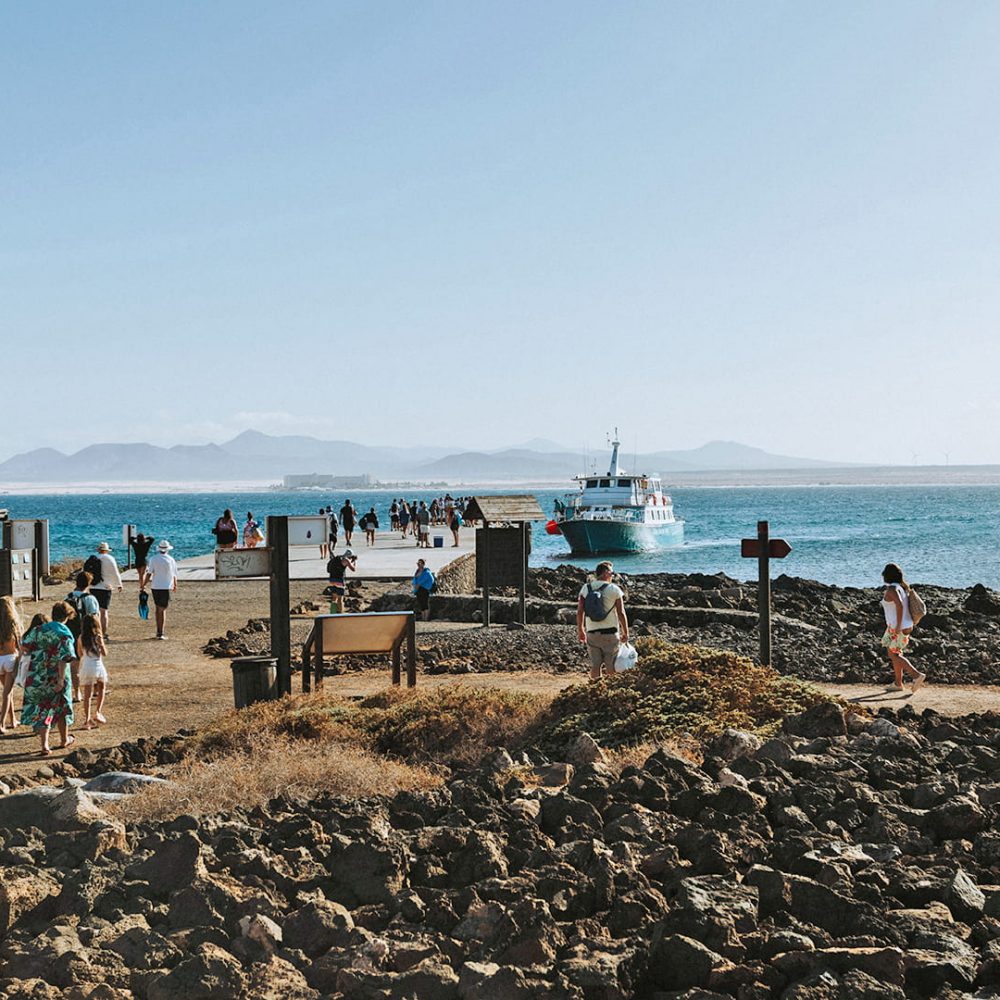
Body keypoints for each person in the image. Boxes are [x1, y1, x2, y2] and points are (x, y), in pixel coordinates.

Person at [20, 602, 76, 756]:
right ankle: (64, 739)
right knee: (62, 708)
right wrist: (60, 680)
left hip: (38, 675)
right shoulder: (64, 632)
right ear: (66, 617)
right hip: (57, 675)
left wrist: (40, 654)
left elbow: (24, 646)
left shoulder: (38, 629)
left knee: (43, 708)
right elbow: (65, 657)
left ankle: (45, 745)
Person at [576, 561, 629, 682]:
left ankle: (595, 690)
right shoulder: (614, 589)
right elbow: (621, 613)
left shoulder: (586, 588)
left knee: (596, 665)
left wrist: (581, 630)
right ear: (605, 573)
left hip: (592, 632)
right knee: (610, 665)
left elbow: (580, 611)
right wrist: (626, 632)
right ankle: (609, 692)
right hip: (610, 633)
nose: (613, 576)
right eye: (612, 573)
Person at [881, 562, 925, 693]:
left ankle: (916, 675)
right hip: (903, 625)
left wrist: (898, 627)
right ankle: (898, 683)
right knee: (896, 653)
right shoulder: (901, 588)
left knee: (893, 654)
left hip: (898, 626)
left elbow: (899, 606)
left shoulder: (892, 589)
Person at [66, 571, 100, 702]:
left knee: (74, 665)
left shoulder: (68, 597)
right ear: (89, 583)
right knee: (92, 662)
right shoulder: (90, 599)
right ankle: (95, 689)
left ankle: (77, 692)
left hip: (72, 634)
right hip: (87, 634)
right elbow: (95, 618)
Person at [77, 614, 108, 729]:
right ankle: (98, 712)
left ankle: (87, 719)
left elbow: (80, 653)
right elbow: (104, 653)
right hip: (97, 664)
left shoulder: (81, 638)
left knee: (87, 694)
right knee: (101, 688)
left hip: (86, 665)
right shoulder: (98, 637)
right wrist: (101, 644)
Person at [89, 542, 124, 640]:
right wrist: (119, 584)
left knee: (95, 611)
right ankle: (103, 634)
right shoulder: (109, 558)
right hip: (106, 587)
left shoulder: (93, 558)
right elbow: (115, 572)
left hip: (94, 586)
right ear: (107, 550)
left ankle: (95, 632)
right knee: (103, 611)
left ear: (98, 549)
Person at [146, 540, 178, 640]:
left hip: (155, 586)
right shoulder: (171, 560)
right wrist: (175, 585)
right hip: (166, 586)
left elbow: (149, 573)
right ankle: (161, 632)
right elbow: (174, 574)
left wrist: (143, 584)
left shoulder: (153, 559)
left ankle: (158, 631)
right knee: (162, 610)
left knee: (157, 609)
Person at [0, 596, 23, 733]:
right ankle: (1, 723)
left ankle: (13, 719)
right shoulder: (13, 623)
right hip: (10, 659)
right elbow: (19, 645)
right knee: (7, 692)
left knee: (8, 692)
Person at [326, 549, 357, 613]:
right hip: (339, 581)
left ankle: (332, 612)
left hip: (332, 580)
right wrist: (354, 562)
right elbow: (353, 569)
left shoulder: (337, 558)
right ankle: (340, 613)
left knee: (334, 598)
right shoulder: (346, 560)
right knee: (340, 598)